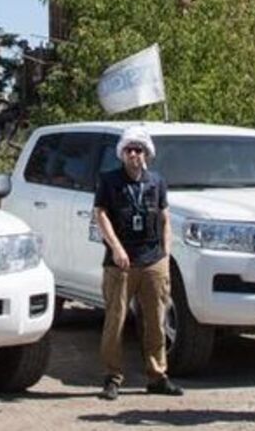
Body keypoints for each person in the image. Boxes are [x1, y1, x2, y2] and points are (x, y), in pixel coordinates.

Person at [93, 125, 183, 401]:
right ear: (122, 153)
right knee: (116, 320)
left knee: (156, 320)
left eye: (139, 150)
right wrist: (116, 247)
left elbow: (166, 217)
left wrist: (166, 253)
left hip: (153, 258)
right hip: (121, 262)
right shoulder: (109, 181)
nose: (134, 154)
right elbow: (101, 215)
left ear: (147, 154)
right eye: (129, 150)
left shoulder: (156, 182)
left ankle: (157, 375)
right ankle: (112, 377)